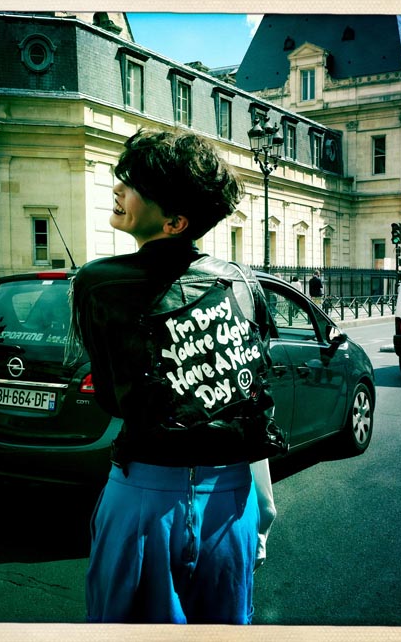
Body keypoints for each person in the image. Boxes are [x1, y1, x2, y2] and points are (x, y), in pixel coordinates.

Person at [68, 129, 285, 624]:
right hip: (231, 498)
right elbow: (248, 397)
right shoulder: (241, 282)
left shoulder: (98, 283)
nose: (118, 189)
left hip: (144, 495)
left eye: (133, 184)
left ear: (174, 222)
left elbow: (113, 399)